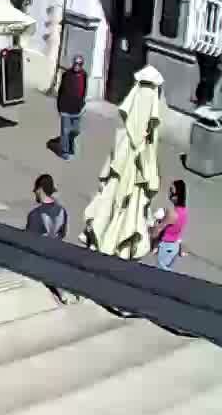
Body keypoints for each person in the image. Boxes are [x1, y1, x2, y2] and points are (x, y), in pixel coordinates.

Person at [81, 65, 165, 259]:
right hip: (132, 170)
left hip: (125, 167)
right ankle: (115, 244)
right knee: (126, 209)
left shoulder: (125, 141)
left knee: (114, 202)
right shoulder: (142, 147)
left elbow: (109, 170)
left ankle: (105, 240)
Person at [56, 55, 88, 159]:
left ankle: (70, 145)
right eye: (75, 63)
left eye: (79, 64)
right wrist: (59, 107)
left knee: (76, 131)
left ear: (82, 65)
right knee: (65, 131)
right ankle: (65, 152)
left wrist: (82, 103)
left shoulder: (84, 75)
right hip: (65, 108)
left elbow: (84, 90)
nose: (76, 66)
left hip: (77, 109)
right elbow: (61, 91)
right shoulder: (66, 74)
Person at [153, 180, 188, 269]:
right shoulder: (184, 211)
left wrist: (156, 222)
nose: (169, 194)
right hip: (174, 247)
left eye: (171, 191)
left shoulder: (171, 213)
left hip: (166, 247)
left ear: (177, 195)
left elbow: (156, 232)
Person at [26, 173, 68, 240]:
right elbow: (63, 234)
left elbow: (29, 239)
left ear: (40, 189)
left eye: (36, 189)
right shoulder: (62, 211)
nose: (34, 191)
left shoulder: (34, 214)